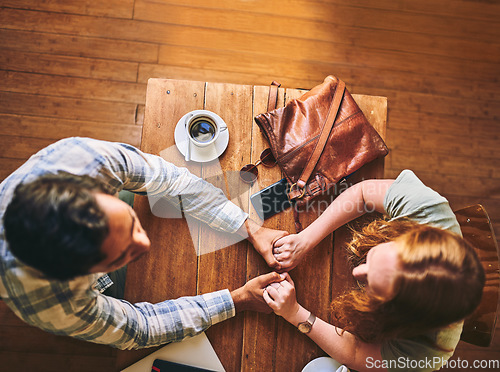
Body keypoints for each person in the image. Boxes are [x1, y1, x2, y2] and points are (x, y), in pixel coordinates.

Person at [0, 137, 288, 349]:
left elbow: (173, 181)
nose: (144, 243)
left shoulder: (85, 159)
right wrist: (237, 300)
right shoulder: (53, 304)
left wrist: (250, 229)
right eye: (121, 254)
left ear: (94, 190)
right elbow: (140, 328)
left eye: (129, 223)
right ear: (80, 275)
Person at [263, 170, 485, 372]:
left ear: (398, 316)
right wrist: (305, 240)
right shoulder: (427, 210)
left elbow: (357, 353)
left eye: (373, 286)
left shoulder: (425, 355)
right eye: (374, 257)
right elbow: (362, 194)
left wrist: (295, 314)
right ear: (407, 234)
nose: (357, 272)